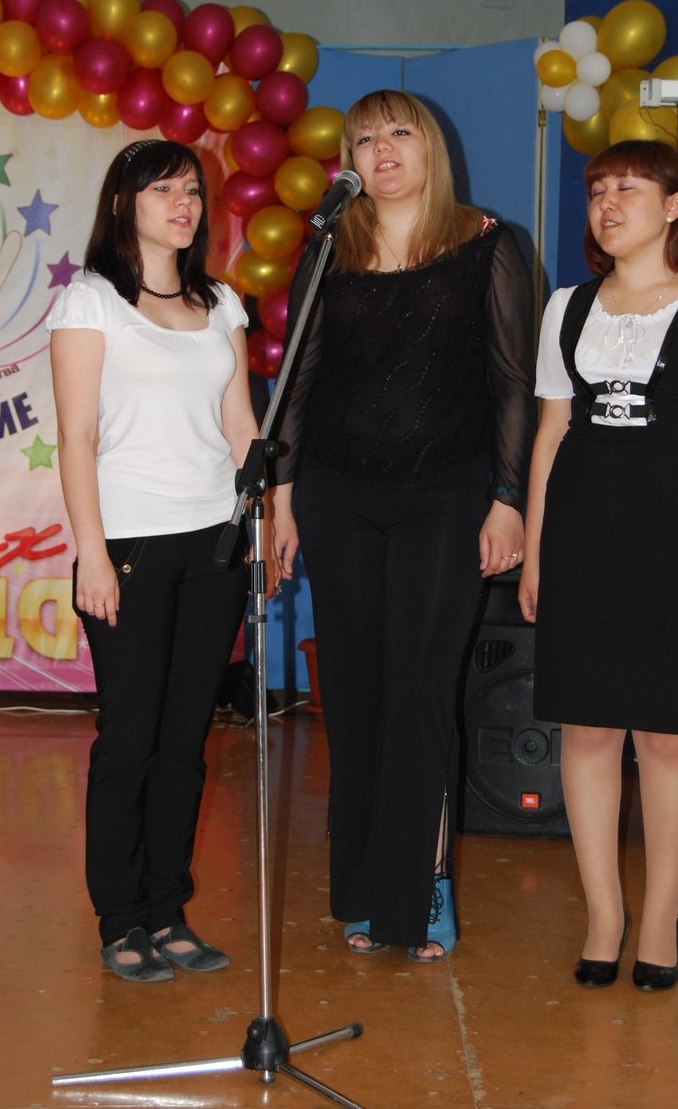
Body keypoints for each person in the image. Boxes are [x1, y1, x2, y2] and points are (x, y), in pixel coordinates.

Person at [271, 90, 535, 961]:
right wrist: (281, 497)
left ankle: (422, 889)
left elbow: (512, 382)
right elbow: (299, 378)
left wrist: (508, 497)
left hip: (446, 498)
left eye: (399, 134)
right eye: (364, 139)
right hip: (337, 496)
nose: (381, 151)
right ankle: (361, 890)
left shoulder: (488, 244)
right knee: (353, 694)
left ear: (431, 148)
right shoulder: (329, 247)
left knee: (420, 692)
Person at [519, 138, 678, 991]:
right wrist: (536, 555)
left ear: (675, 205)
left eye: (627, 188)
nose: (607, 204)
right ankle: (604, 914)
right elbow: (550, 437)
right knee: (587, 729)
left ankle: (660, 915)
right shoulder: (566, 309)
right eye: (597, 192)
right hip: (581, 542)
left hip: (673, 546)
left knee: (665, 736)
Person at [47, 139, 260, 984]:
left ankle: (168, 909)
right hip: (130, 543)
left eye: (192, 190)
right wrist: (91, 553)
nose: (184, 203)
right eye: (163, 189)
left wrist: (263, 521)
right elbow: (76, 435)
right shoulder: (91, 300)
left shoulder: (221, 301)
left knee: (184, 739)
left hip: (214, 541)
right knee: (129, 737)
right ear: (122, 203)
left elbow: (240, 425)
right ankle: (120, 917)